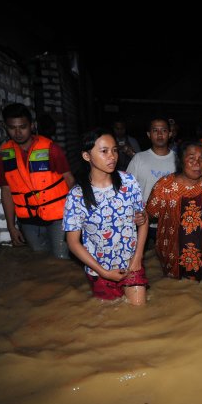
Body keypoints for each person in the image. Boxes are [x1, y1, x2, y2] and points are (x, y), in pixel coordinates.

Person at [63, 129, 149, 305]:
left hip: (132, 263)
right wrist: (103, 272)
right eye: (104, 151)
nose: (112, 156)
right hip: (100, 271)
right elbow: (73, 243)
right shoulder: (77, 195)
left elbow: (143, 218)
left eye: (115, 150)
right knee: (110, 317)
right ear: (87, 156)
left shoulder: (129, 182)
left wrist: (138, 257)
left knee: (139, 312)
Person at [0, 103, 74, 259]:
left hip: (58, 216)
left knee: (61, 258)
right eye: (12, 128)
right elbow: (6, 191)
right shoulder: (4, 155)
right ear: (6, 127)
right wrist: (11, 227)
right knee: (39, 260)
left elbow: (70, 181)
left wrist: (77, 217)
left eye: (22, 127)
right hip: (28, 221)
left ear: (32, 125)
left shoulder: (51, 149)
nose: (18, 132)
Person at [146, 141, 202, 281]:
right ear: (181, 161)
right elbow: (150, 213)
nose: (197, 163)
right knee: (175, 293)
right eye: (191, 158)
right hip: (171, 257)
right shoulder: (165, 185)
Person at [127, 118, 177, 243]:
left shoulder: (179, 160)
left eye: (164, 130)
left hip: (171, 222)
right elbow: (126, 189)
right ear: (149, 135)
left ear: (170, 134)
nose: (160, 134)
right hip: (143, 221)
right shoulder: (139, 159)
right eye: (155, 130)